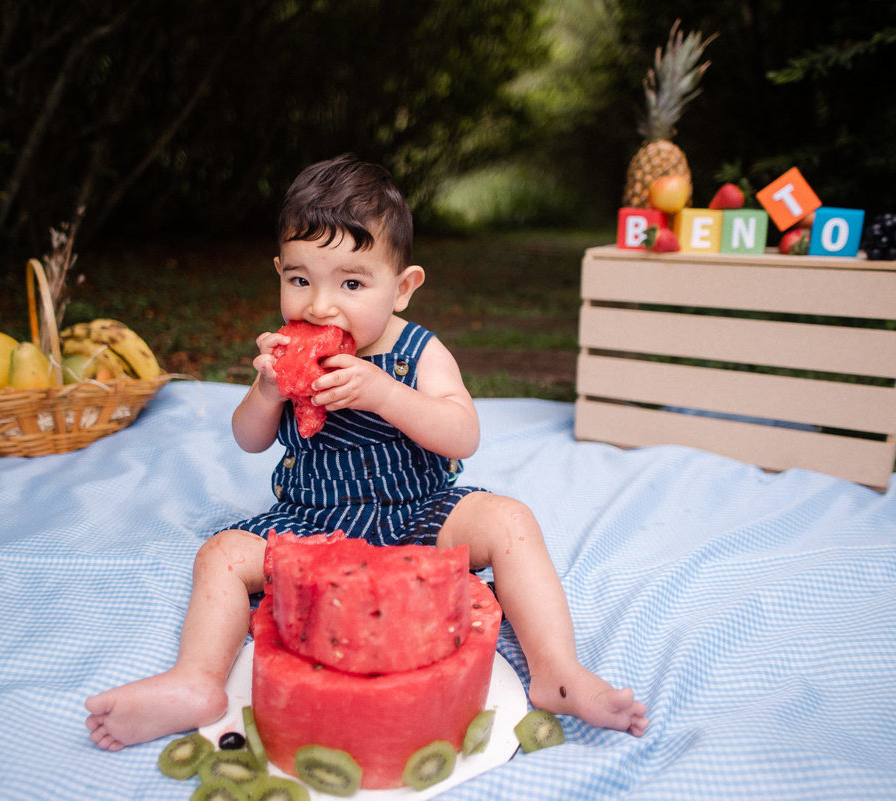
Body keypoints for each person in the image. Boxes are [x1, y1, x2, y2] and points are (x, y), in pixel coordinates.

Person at [85, 155, 648, 751]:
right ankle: (195, 680)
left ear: (402, 289)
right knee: (221, 554)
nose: (321, 306)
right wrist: (266, 390)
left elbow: (462, 435)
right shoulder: (283, 353)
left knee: (511, 520)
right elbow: (248, 438)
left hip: (418, 513)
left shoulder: (418, 352)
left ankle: (557, 671)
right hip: (311, 522)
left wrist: (384, 393)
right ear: (279, 272)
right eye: (300, 280)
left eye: (352, 283)